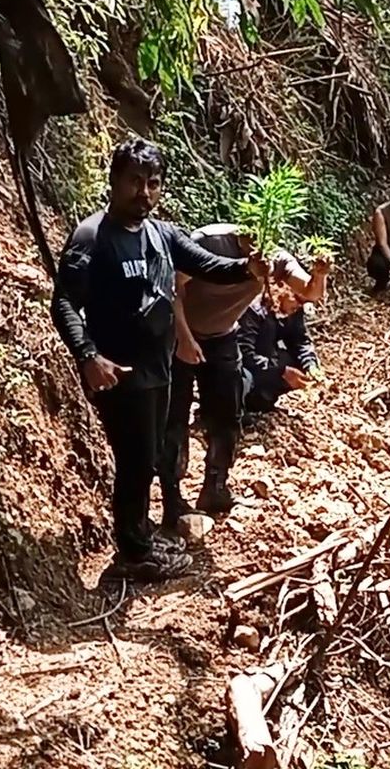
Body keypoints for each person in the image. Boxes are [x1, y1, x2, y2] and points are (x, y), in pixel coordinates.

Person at [50, 138, 270, 582]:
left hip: (159, 368)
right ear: (113, 182)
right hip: (119, 372)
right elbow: (64, 303)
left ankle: (140, 535)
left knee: (147, 457)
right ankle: (134, 554)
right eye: (134, 182)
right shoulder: (93, 237)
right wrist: (89, 356)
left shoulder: (163, 235)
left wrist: (249, 269)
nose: (143, 192)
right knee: (134, 460)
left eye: (152, 183)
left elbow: (211, 266)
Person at [160, 226, 328, 520]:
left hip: (222, 335)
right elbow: (172, 288)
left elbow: (310, 292)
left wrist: (321, 272)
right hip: (180, 333)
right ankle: (172, 497)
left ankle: (216, 486)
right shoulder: (208, 242)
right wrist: (184, 339)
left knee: (228, 412)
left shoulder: (275, 257)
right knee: (174, 416)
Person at [238, 282, 324, 414]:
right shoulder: (254, 309)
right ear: (283, 292)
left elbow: (300, 340)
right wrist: (280, 372)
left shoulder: (293, 310)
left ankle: (262, 400)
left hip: (268, 361)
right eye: (297, 299)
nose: (299, 305)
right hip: (245, 366)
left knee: (298, 365)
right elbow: (244, 353)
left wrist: (310, 365)